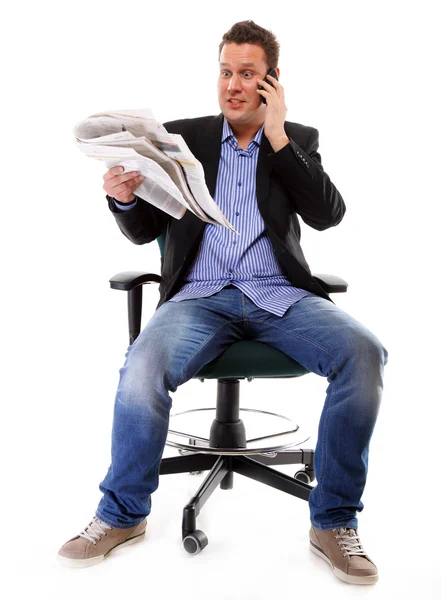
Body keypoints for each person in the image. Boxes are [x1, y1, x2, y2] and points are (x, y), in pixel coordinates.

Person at [58, 20, 388, 585]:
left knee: (364, 352)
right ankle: (121, 515)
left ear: (271, 82)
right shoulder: (183, 138)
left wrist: (279, 136)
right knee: (143, 364)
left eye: (248, 75)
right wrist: (122, 200)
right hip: (198, 298)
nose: (233, 85)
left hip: (277, 295)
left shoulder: (297, 140)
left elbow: (328, 215)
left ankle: (333, 522)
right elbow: (144, 232)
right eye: (226, 72)